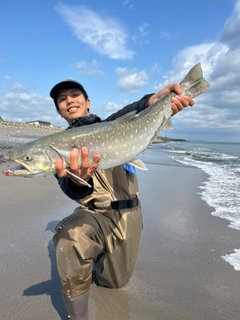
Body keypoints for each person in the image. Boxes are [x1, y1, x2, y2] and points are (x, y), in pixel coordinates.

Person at [49, 80, 194, 319]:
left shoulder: (111, 125)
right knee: (70, 237)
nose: (69, 101)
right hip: (96, 215)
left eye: (75, 95)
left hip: (131, 216)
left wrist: (154, 100)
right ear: (59, 110)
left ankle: (99, 259)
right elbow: (70, 189)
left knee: (115, 282)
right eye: (62, 100)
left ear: (87, 102)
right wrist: (77, 179)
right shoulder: (59, 147)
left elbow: (132, 110)